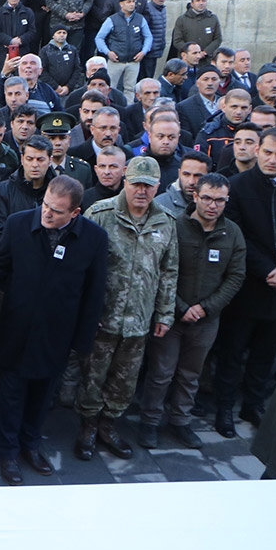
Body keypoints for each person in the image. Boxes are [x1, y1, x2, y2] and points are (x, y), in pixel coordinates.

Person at [0, 176, 108, 484]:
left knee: (43, 395)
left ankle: (30, 444)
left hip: (57, 333)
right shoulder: (18, 225)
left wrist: (83, 342)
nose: (46, 214)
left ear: (75, 213)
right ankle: (8, 453)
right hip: (18, 328)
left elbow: (94, 293)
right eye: (45, 205)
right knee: (12, 394)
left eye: (56, 211)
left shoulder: (94, 238)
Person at [76, 156, 177, 461]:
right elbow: (79, 267)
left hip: (139, 319)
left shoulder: (166, 222)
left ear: (157, 186)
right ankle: (88, 427)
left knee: (125, 379)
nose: (141, 191)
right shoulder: (100, 214)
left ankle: (109, 425)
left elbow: (169, 271)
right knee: (93, 375)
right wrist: (83, 314)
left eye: (148, 186)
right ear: (124, 181)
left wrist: (165, 313)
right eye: (136, 184)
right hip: (102, 317)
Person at [139, 173, 244, 450]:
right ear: (195, 196)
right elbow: (161, 270)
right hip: (171, 316)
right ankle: (150, 421)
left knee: (190, 374)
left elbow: (235, 277)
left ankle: (180, 421)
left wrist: (205, 309)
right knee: (161, 372)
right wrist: (182, 308)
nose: (213, 205)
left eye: (220, 200)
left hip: (207, 320)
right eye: (207, 198)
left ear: (226, 201)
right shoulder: (174, 226)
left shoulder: (231, 233)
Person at [215, 127, 276, 437]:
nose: (273, 159)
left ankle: (253, 405)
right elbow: (237, 235)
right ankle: (224, 408)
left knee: (265, 353)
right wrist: (268, 269)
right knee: (233, 350)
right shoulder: (238, 187)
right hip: (247, 286)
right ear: (257, 151)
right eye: (268, 152)